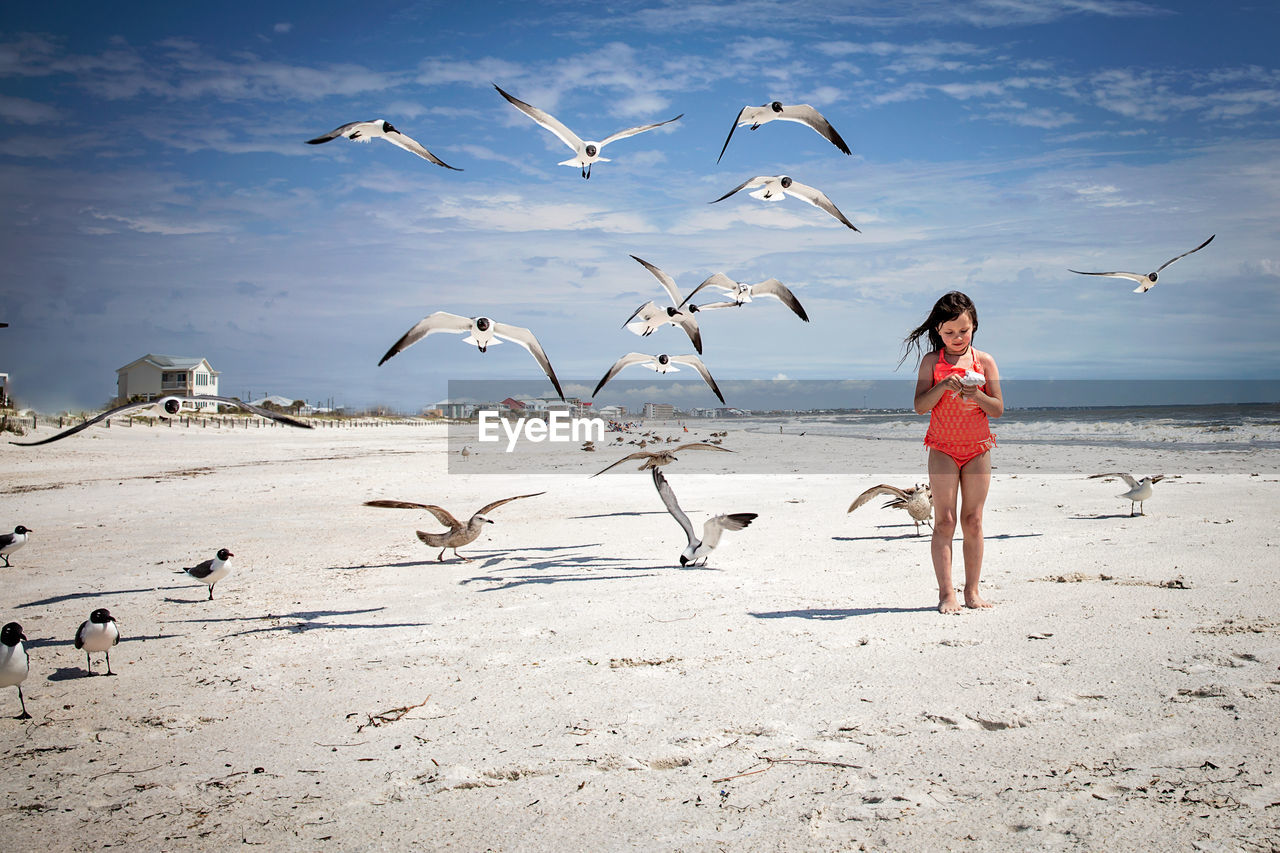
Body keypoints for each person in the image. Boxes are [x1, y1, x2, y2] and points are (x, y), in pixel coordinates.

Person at [901, 291, 1003, 614]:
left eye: (964, 331)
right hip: (943, 448)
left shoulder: (984, 362)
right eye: (949, 332)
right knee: (944, 521)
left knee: (972, 520)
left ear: (974, 326)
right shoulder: (932, 362)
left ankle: (972, 591)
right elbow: (919, 406)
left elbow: (998, 409)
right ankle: (947, 593)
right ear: (938, 332)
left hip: (977, 449)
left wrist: (977, 395)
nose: (957, 338)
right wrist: (943, 386)